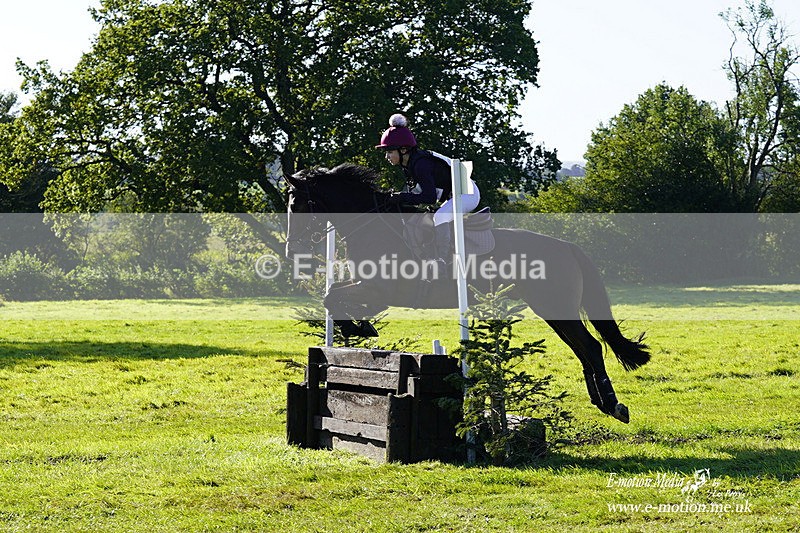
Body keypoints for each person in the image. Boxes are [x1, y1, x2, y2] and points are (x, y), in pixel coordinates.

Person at [375, 113, 480, 263]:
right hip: (453, 195)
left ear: (403, 150)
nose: (387, 157)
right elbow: (420, 195)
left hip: (467, 194)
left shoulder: (420, 165)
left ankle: (442, 261)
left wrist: (402, 197)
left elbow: (429, 198)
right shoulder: (410, 164)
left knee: (440, 217)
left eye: (390, 151)